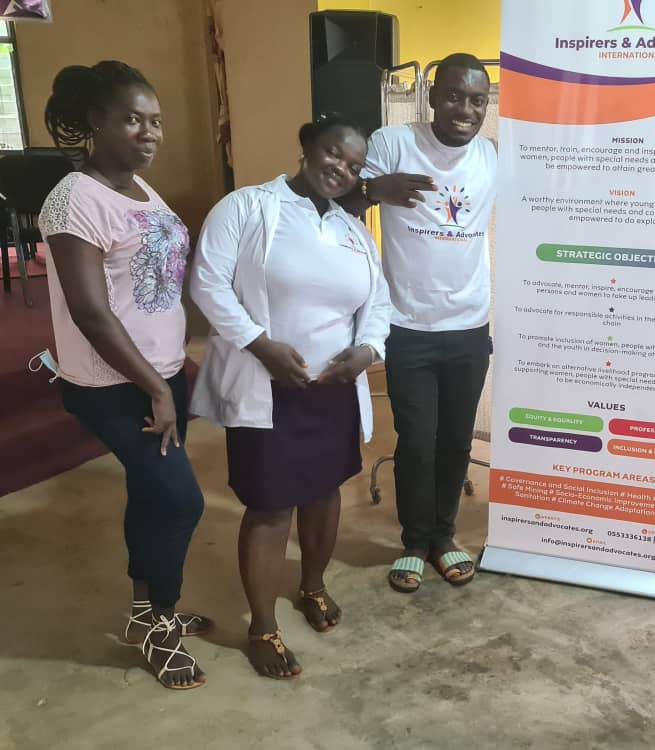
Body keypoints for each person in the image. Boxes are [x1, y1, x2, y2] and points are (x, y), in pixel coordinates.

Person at [190, 112, 391, 679]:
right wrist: (261, 346)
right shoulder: (247, 207)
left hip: (333, 388)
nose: (341, 169)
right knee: (271, 505)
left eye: (354, 166)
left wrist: (367, 349)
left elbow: (377, 303)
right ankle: (261, 626)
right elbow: (207, 282)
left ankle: (312, 586)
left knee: (326, 493)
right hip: (270, 387)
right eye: (333, 153)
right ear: (306, 146)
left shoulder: (354, 231)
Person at [38, 61, 211, 690]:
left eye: (155, 121)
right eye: (133, 120)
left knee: (152, 495)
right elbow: (90, 311)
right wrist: (156, 388)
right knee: (181, 499)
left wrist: (172, 369)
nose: (149, 132)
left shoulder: (139, 188)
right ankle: (158, 622)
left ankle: (147, 612)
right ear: (97, 122)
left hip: (160, 372)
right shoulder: (74, 200)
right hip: (115, 385)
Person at [354, 53, 496, 592]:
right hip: (407, 324)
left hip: (469, 325)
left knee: (456, 441)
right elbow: (336, 198)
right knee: (416, 441)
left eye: (477, 100)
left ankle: (443, 536)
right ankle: (414, 541)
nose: (465, 109)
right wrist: (374, 191)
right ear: (432, 96)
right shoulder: (393, 142)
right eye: (454, 96)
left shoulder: (492, 156)